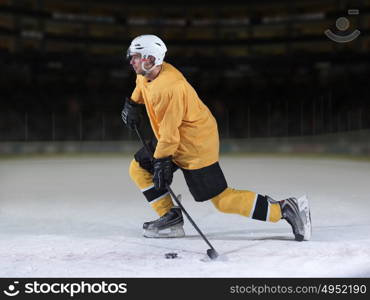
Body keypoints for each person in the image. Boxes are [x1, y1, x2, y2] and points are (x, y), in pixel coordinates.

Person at [122, 34, 311, 241]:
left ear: (150, 59)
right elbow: (142, 87)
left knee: (222, 200)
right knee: (139, 168)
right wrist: (132, 104)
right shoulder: (147, 74)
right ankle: (170, 217)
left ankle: (284, 209)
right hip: (174, 137)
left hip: (196, 144)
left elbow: (169, 135)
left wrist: (161, 161)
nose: (131, 61)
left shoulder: (170, 88)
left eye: (136, 56)